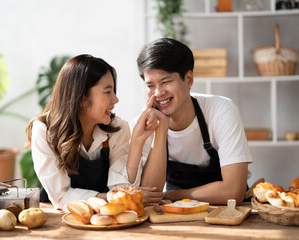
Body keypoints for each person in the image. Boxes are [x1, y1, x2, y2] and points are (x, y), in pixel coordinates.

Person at [25, 54, 166, 211]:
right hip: (59, 215)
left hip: (105, 214)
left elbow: (122, 188)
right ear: (81, 97)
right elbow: (61, 196)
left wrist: (138, 142)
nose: (115, 99)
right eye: (108, 92)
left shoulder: (117, 128)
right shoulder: (44, 130)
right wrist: (117, 197)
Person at [130, 38, 253, 205]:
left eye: (165, 82)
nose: (158, 93)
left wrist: (173, 196)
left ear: (188, 79)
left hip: (230, 213)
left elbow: (234, 191)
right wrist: (161, 130)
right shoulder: (142, 126)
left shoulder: (221, 110)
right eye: (150, 85)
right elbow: (151, 197)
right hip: (177, 216)